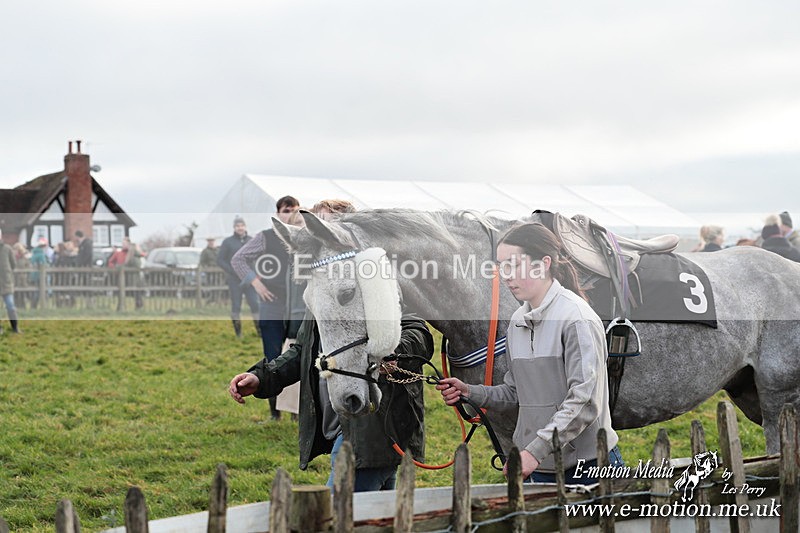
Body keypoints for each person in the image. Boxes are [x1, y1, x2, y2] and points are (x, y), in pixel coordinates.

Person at [437, 222, 622, 484]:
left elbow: (585, 400)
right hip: (538, 468)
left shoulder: (577, 318)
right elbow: (515, 393)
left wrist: (534, 452)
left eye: (514, 265)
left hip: (587, 468)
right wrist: (471, 392)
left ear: (544, 263)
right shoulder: (517, 322)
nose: (506, 275)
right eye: (502, 266)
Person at [229, 310, 433, 491]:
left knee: (338, 517)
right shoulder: (321, 288)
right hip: (345, 427)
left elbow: (417, 331)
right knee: (375, 520)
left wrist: (394, 352)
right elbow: (304, 350)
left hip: (373, 429)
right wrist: (262, 378)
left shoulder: (379, 277)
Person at [231, 196, 302, 420]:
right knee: (272, 358)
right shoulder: (266, 237)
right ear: (278, 213)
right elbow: (238, 259)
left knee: (295, 355)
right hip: (272, 305)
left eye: (295, 210)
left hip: (298, 308)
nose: (290, 213)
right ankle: (275, 414)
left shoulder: (305, 237)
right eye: (286, 209)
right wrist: (257, 284)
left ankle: (295, 412)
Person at [217, 216, 260, 338]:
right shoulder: (228, 242)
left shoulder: (252, 240)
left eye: (242, 225)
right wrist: (232, 270)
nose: (240, 228)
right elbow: (220, 260)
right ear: (234, 228)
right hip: (234, 280)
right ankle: (238, 333)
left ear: (245, 227)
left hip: (250, 279)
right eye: (237, 226)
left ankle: (259, 331)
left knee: (255, 304)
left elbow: (258, 257)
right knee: (236, 306)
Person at [0, 229, 21, 334]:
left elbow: (13, 264)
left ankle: (15, 327)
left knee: (10, 306)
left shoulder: (7, 249)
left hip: (6, 282)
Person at [12, 243, 31, 310]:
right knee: (15, 294)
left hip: (23, 278)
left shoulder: (24, 258)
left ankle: (23, 307)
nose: (14, 251)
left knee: (22, 294)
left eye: (16, 249)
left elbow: (28, 267)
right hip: (14, 278)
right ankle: (16, 307)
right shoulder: (13, 258)